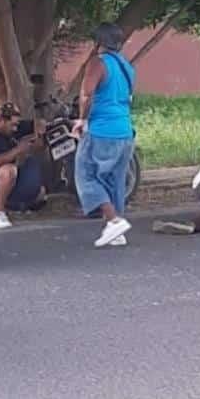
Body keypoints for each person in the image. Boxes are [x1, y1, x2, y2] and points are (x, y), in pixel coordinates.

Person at [72, 22, 136, 248]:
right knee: (114, 180)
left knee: (85, 175)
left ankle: (114, 220)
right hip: (125, 131)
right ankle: (116, 232)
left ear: (98, 42)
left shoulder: (97, 63)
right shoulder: (126, 67)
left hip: (101, 130)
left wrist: (82, 120)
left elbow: (86, 95)